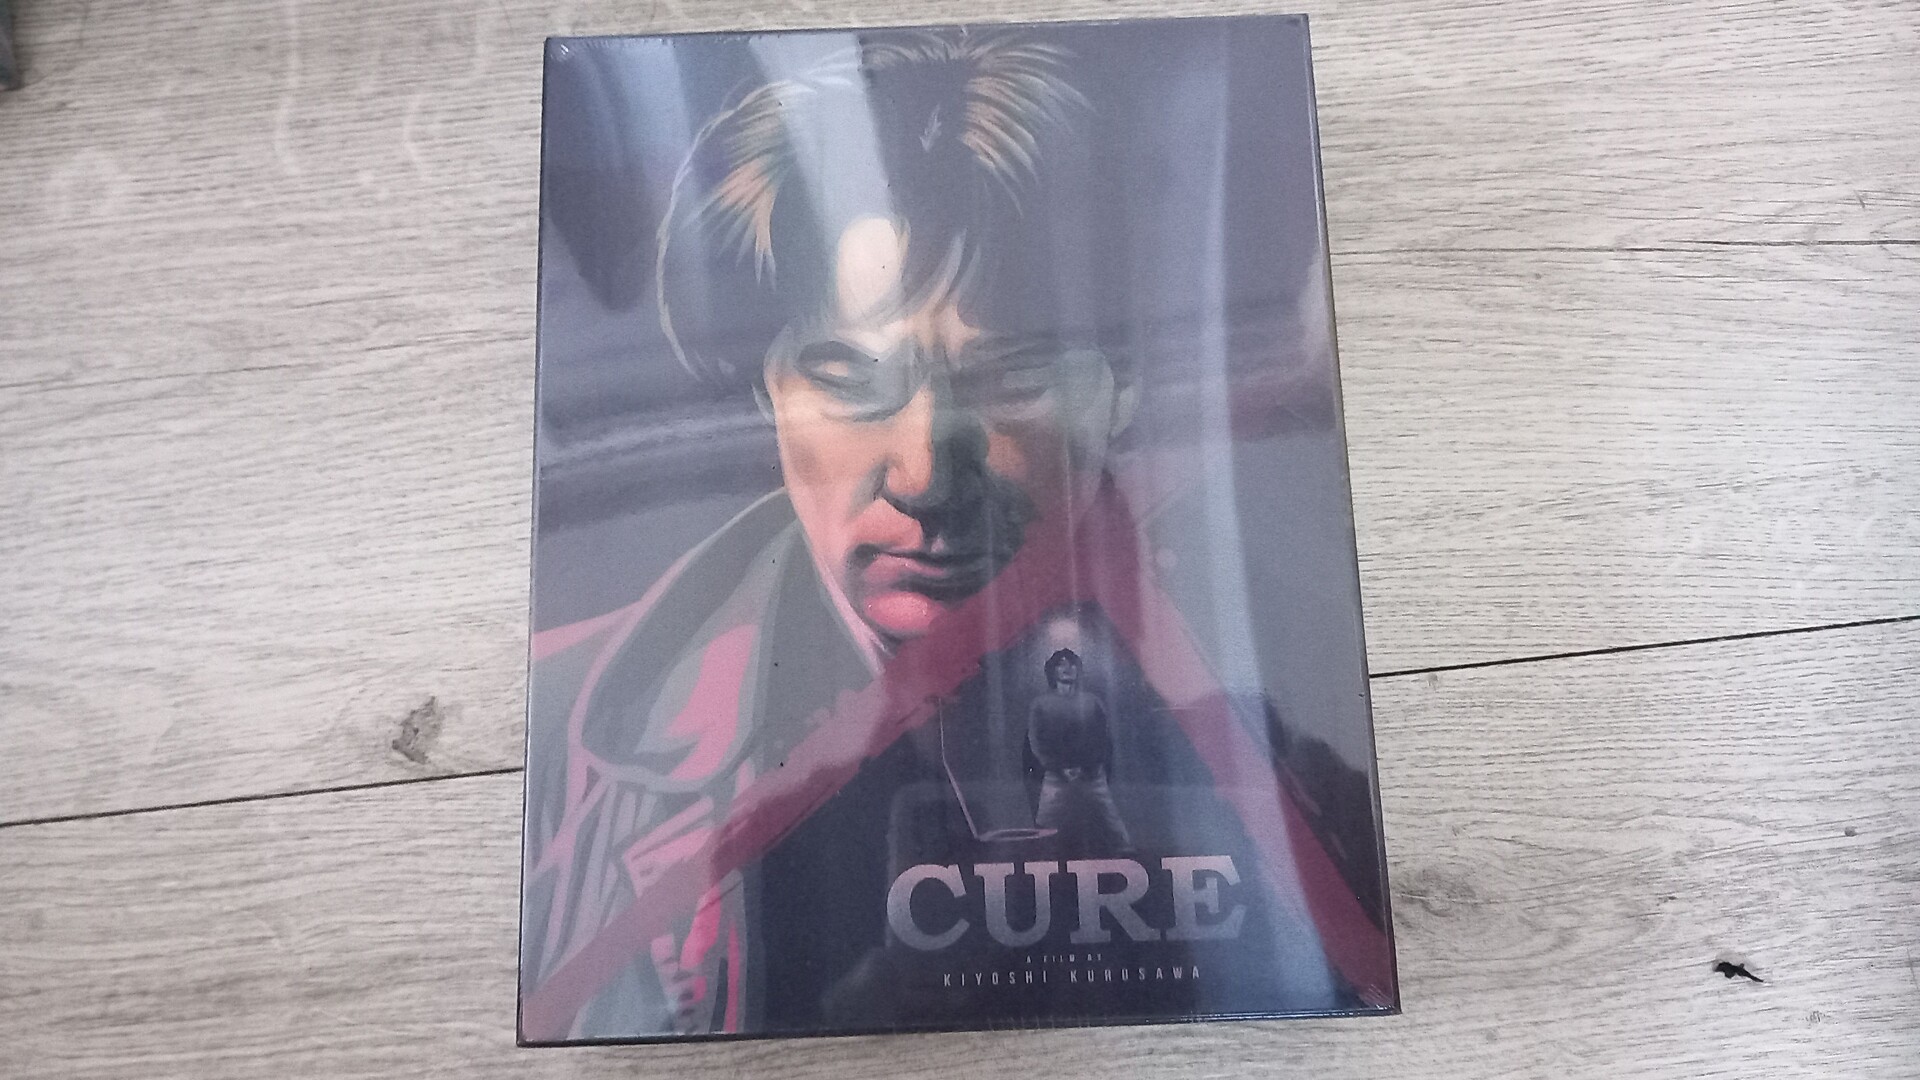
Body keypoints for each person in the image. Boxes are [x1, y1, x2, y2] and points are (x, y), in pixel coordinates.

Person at [521, 25, 1379, 1041]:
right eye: (850, 381)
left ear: (1122, 389)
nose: (925, 475)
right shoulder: (567, 734)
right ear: (768, 394)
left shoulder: (1294, 693)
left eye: (1007, 375)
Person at [1025, 649, 1132, 855]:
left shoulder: (1093, 702)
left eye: (1072, 663)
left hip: (1093, 776)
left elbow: (1103, 738)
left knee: (1113, 824)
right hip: (1056, 777)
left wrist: (1088, 768)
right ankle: (1041, 861)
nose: (1068, 668)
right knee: (1045, 824)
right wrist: (1059, 768)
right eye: (1061, 664)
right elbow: (1037, 741)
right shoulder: (1040, 704)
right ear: (1053, 670)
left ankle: (1128, 855)